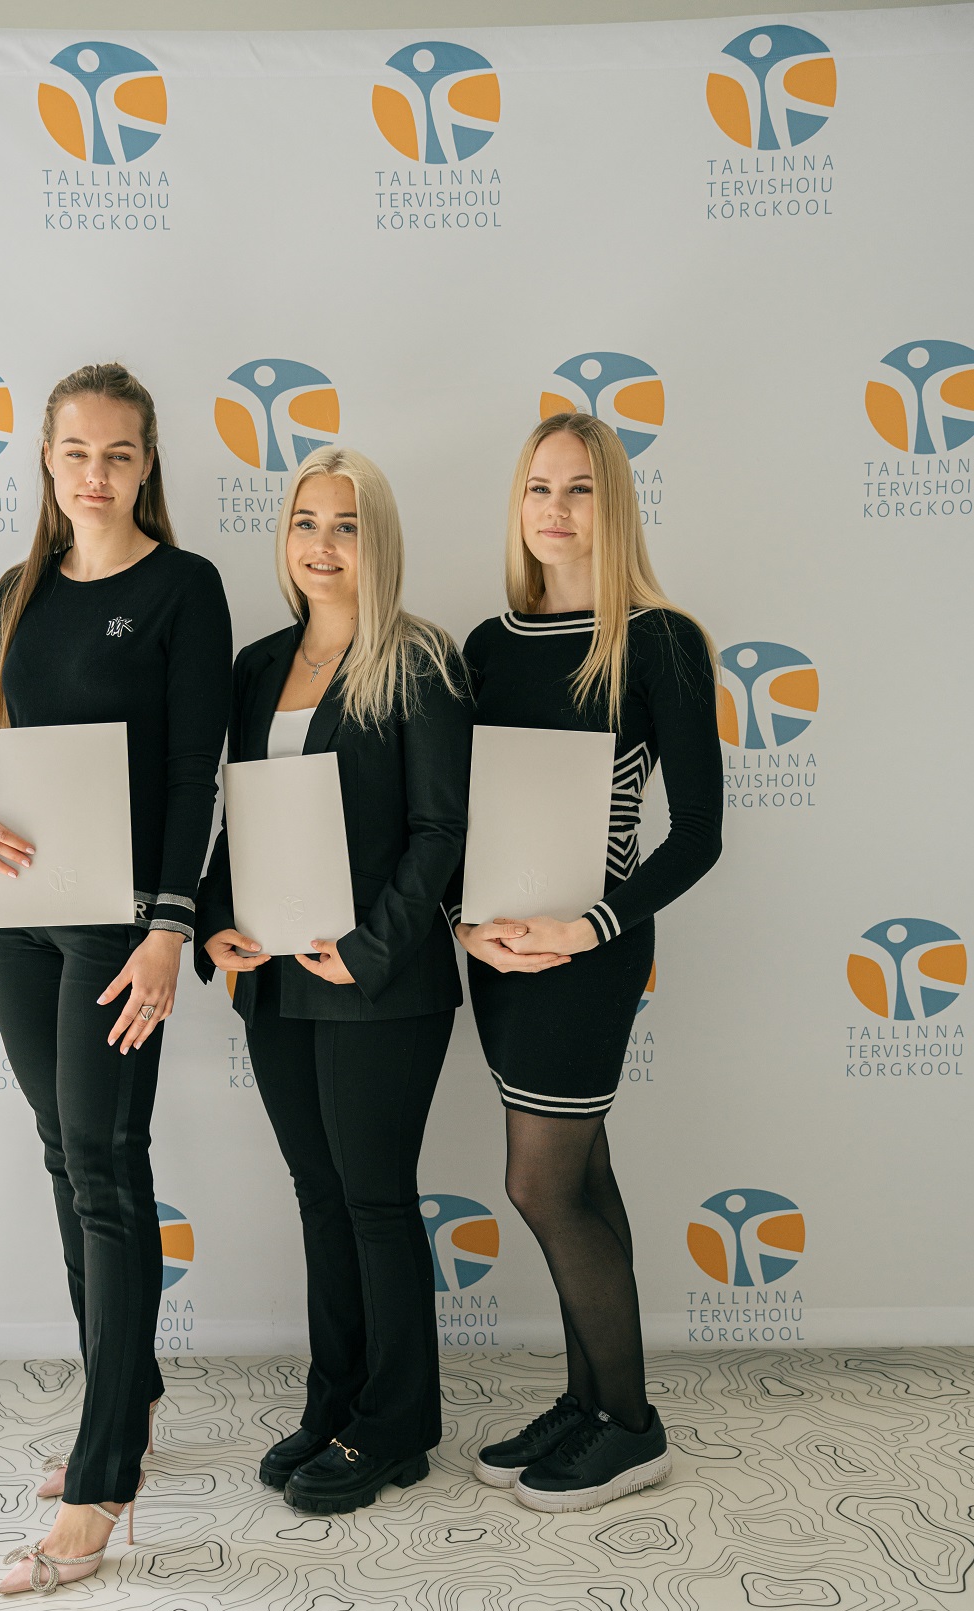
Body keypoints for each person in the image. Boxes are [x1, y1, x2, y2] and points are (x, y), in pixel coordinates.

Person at [0, 363, 232, 1593]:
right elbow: (7, 737)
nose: (96, 474)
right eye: (76, 451)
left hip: (121, 923)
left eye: (119, 453)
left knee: (110, 1169)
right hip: (18, 910)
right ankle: (131, 1395)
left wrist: (171, 925)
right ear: (47, 460)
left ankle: (104, 1478)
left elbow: (190, 772)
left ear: (148, 463)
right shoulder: (18, 589)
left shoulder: (184, 588)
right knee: (65, 1158)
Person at [453, 411, 722, 1511]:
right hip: (495, 953)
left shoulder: (657, 640)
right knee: (585, 1181)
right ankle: (588, 1401)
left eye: (579, 490)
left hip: (590, 954)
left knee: (539, 1184)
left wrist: (585, 929)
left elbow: (697, 836)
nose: (555, 510)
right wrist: (465, 925)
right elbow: (458, 817)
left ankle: (633, 1428)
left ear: (614, 507)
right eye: (538, 488)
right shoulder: (486, 644)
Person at [196, 447, 471, 1516]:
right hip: (276, 978)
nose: (322, 545)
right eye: (306, 522)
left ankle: (398, 1424)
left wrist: (370, 946)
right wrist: (215, 920)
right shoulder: (256, 666)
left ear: (378, 541)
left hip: (380, 983)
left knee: (374, 1200)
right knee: (320, 1196)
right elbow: (238, 817)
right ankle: (338, 1401)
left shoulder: (421, 659)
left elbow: (441, 829)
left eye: (346, 526)